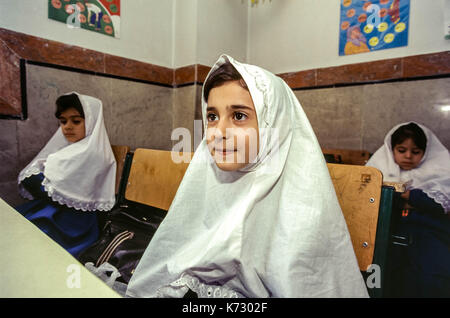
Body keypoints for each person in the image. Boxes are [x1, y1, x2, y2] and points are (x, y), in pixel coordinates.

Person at [125, 54, 368, 298]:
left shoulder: (304, 212)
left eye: (239, 116)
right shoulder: (208, 178)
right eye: (212, 117)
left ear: (274, 123)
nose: (218, 132)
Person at [16, 92, 117, 258]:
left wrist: (41, 179)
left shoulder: (94, 154)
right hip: (56, 212)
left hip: (72, 224)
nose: (67, 126)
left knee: (24, 238)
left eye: (76, 121)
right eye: (63, 121)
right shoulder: (72, 149)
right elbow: (35, 179)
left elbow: (49, 187)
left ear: (92, 122)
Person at [366, 122, 450, 297]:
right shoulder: (381, 169)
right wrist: (412, 198)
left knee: (431, 276)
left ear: (426, 152)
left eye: (416, 151)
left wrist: (400, 194)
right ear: (391, 149)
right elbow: (370, 199)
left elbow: (436, 205)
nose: (408, 156)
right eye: (401, 150)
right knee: (388, 277)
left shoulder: (440, 171)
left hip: (428, 234)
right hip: (390, 235)